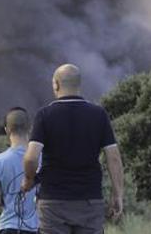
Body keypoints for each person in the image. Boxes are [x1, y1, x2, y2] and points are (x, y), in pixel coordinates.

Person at [21, 64, 124, 234]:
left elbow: (31, 158)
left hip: (53, 202)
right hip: (89, 201)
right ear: (78, 85)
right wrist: (117, 194)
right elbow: (113, 158)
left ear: (56, 84)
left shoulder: (44, 115)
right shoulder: (99, 114)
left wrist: (29, 180)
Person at [0, 107, 39, 234]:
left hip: (8, 227)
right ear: (30, 128)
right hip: (36, 228)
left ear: (7, 130)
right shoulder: (41, 159)